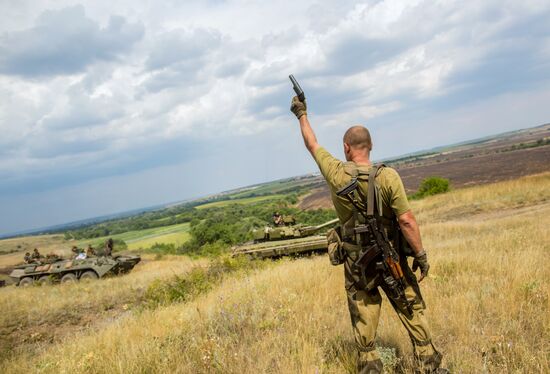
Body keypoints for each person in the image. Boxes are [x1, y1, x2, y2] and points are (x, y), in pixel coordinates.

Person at [290, 96, 447, 373]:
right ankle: (429, 364)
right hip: (391, 256)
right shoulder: (388, 177)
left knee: (363, 309)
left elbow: (312, 144)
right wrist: (420, 255)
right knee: (409, 302)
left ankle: (370, 366)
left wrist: (301, 113)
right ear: (371, 146)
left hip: (356, 260)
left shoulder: (337, 172)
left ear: (346, 148)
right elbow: (407, 221)